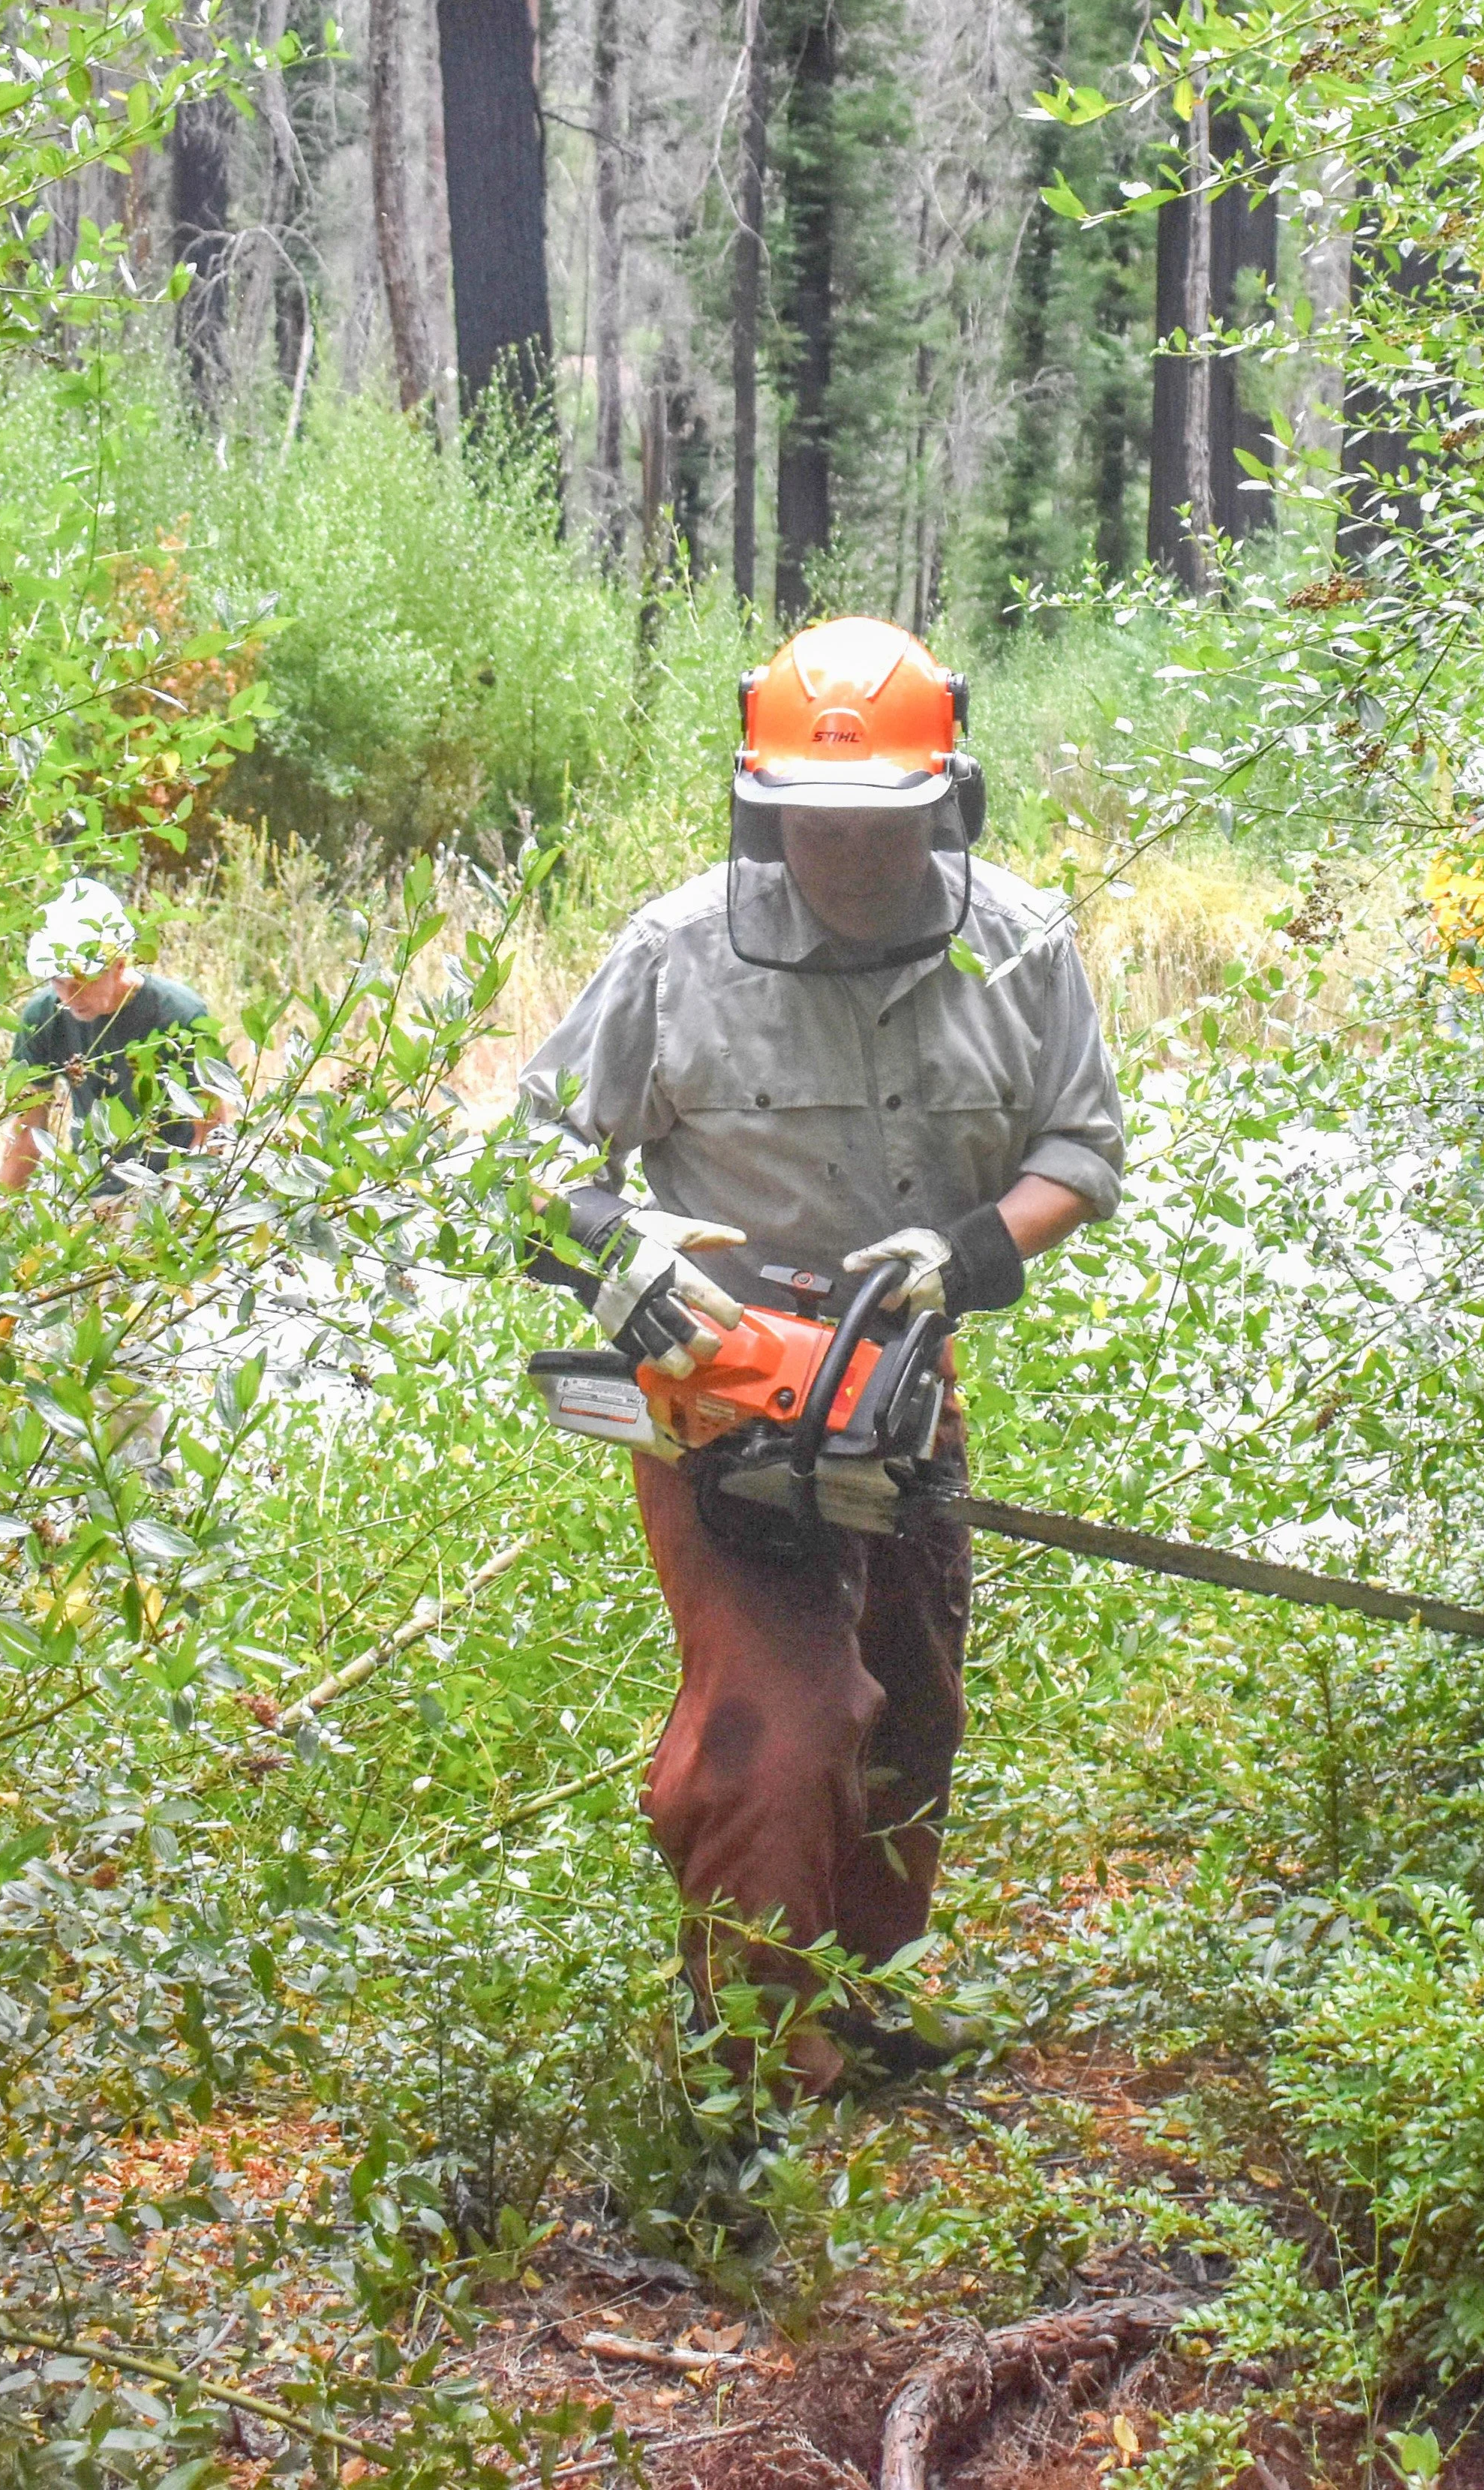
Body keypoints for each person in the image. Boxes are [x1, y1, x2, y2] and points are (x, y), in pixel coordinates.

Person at [518, 617, 1123, 2092]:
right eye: (815, 818)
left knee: (909, 1703)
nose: (845, 850)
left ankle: (868, 1983)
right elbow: (526, 1154)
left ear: (944, 797)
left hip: (907, 1379)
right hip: (722, 1397)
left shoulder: (1021, 945)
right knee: (781, 1728)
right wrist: (621, 1248)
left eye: (881, 819)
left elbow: (1082, 1148)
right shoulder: (678, 951)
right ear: (764, 802)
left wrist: (974, 1249)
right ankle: (745, 2047)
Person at [0, 878, 225, 1196]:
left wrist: (177, 1210)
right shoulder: (43, 1018)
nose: (69, 997)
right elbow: (28, 1130)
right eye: (58, 982)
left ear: (118, 966)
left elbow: (212, 1133)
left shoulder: (183, 1016)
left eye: (81, 982)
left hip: (170, 1184)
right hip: (93, 1185)